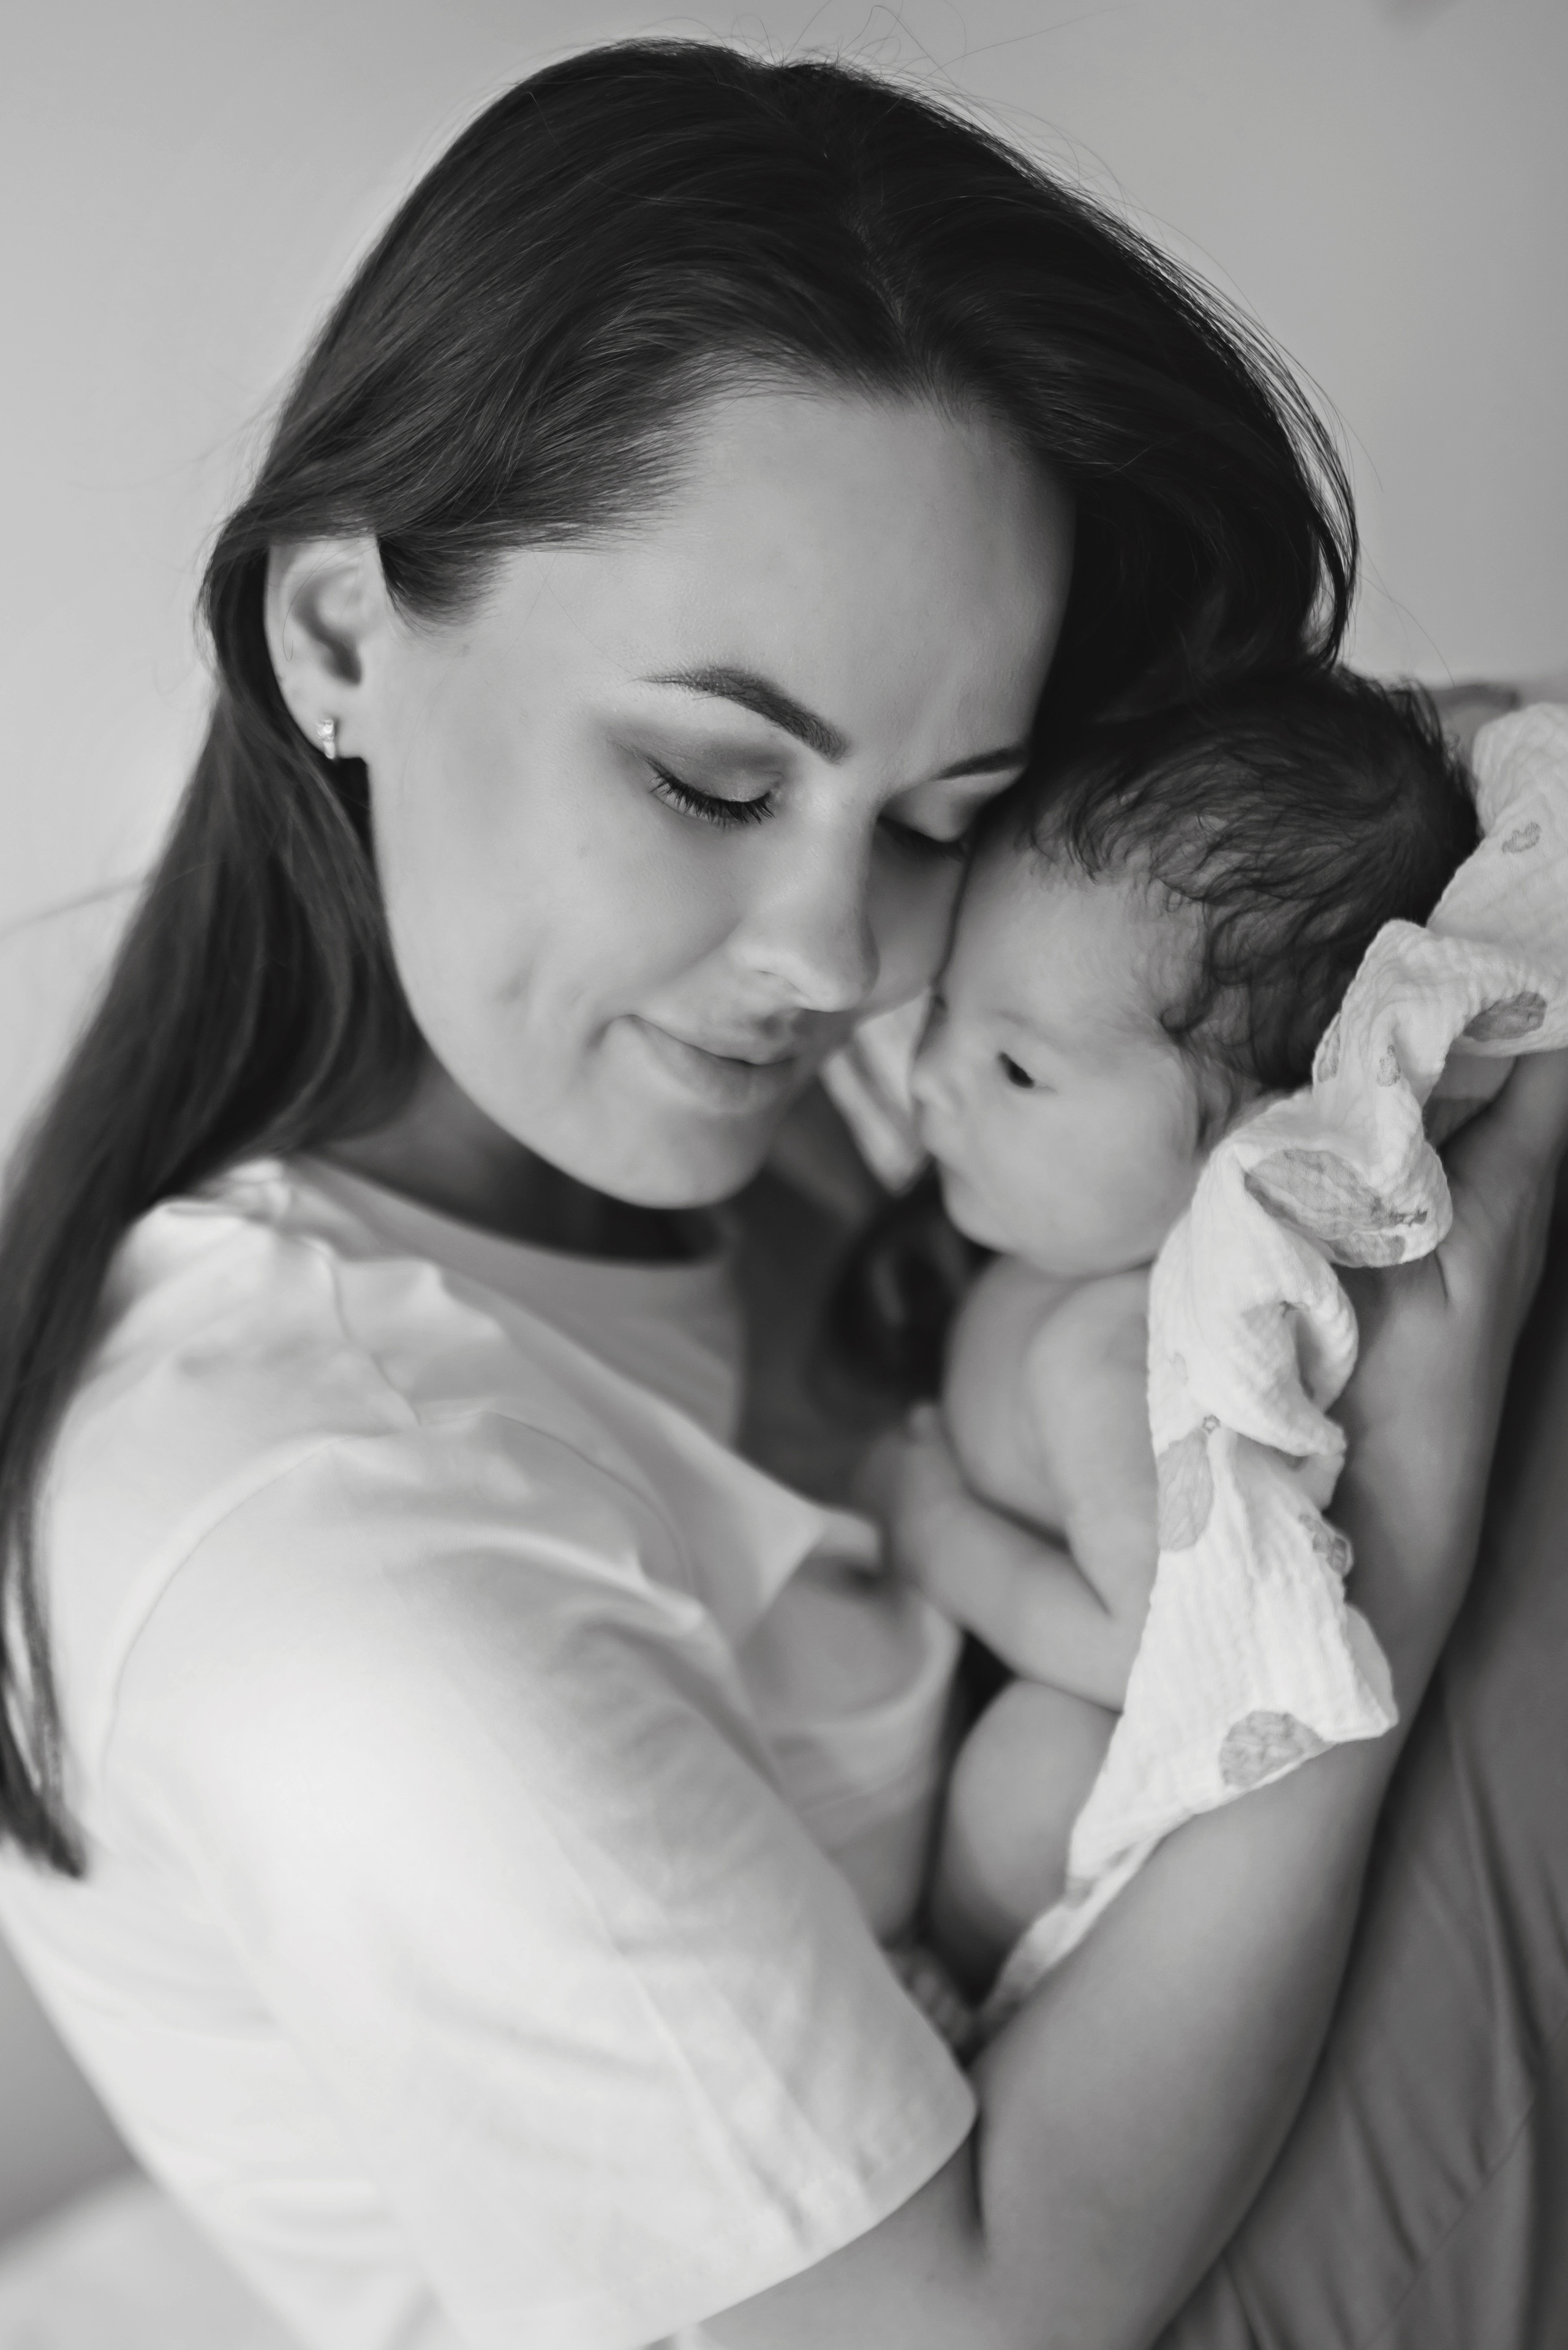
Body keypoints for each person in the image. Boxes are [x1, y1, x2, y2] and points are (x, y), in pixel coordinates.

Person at [0, 37, 1561, 2350]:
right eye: (714, 779)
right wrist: (1373, 1563)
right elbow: (967, 2325)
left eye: (942, 811)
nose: (839, 960)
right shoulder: (326, 1545)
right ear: (339, 640)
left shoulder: (735, 1091)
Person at [893, 671, 1480, 1995]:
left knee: (1025, 1770)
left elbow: (1133, 1648)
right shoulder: (1055, 1244)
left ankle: (962, 1975)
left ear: (1231, 1136)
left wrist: (934, 1526)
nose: (925, 1077)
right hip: (976, 1672)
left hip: (1084, 1727)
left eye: (1015, 1068)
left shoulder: (1100, 1348)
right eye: (942, 1008)